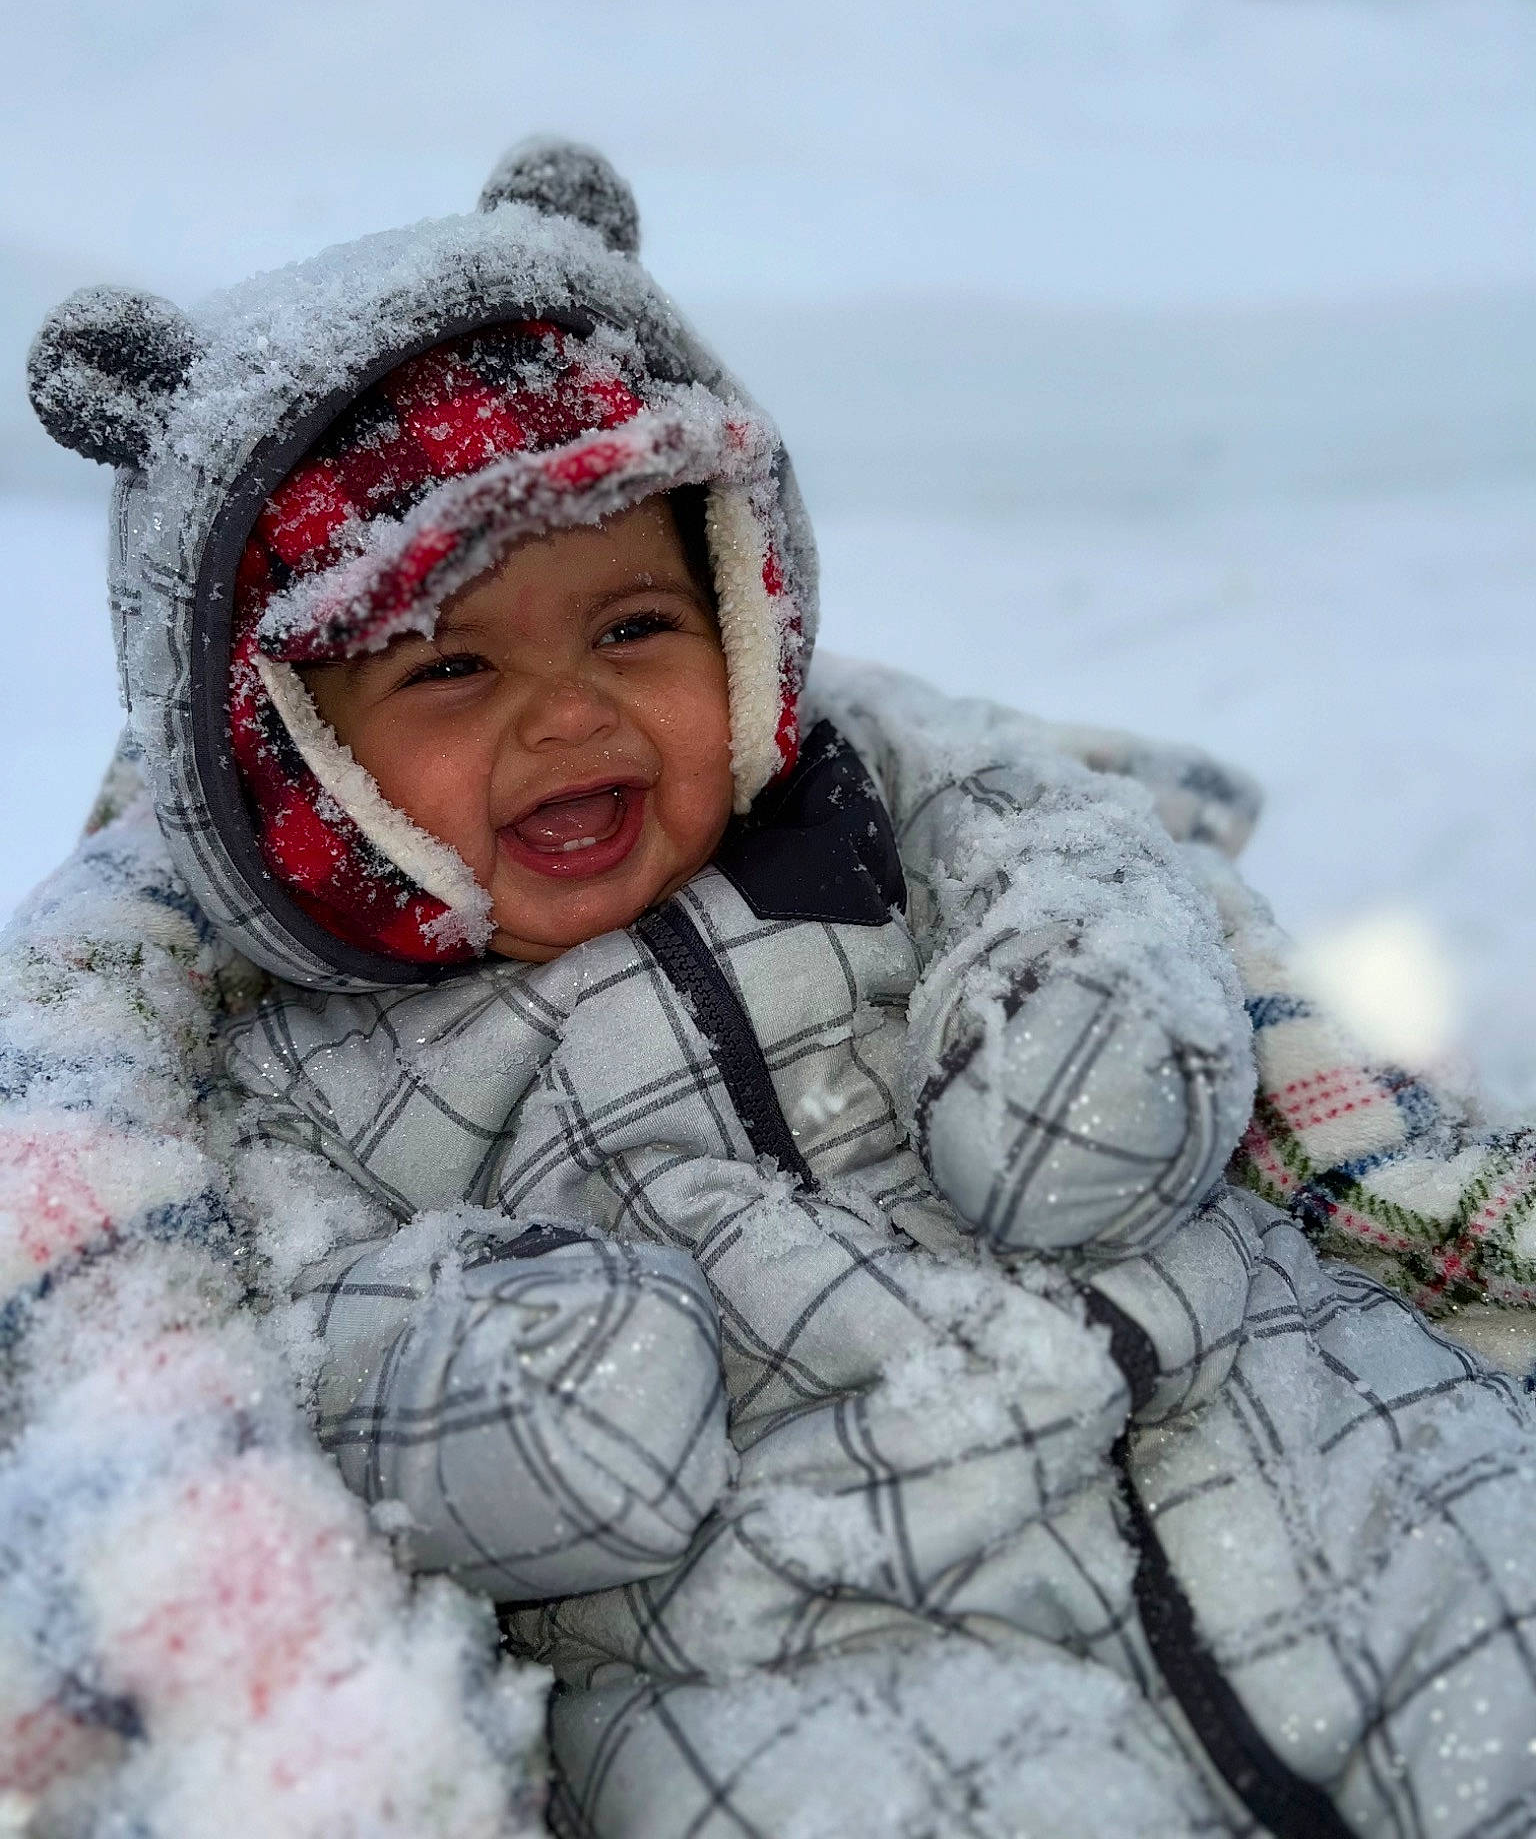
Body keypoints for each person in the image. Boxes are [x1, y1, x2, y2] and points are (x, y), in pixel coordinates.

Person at [19, 137, 1536, 1839]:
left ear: (745, 604)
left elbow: (1080, 860)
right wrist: (503, 1384)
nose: (572, 718)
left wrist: (1094, 1010)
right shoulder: (300, 1056)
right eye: (449, 664)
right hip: (799, 1635)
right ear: (293, 754)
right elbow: (291, 1338)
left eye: (632, 631)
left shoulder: (878, 794)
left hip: (1271, 1426)